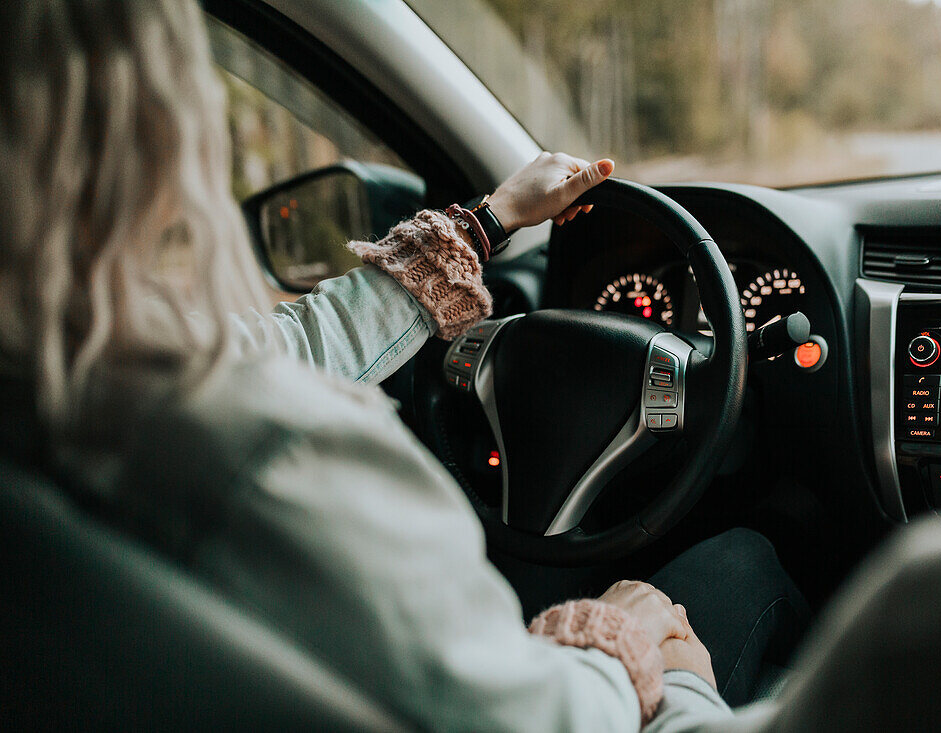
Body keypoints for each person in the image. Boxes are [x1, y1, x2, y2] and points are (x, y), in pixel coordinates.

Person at [0, 1, 805, 729]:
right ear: (147, 128)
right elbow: (536, 720)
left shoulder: (56, 392)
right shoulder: (272, 452)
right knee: (748, 563)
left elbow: (286, 344)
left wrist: (485, 224)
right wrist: (621, 639)